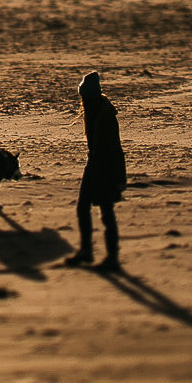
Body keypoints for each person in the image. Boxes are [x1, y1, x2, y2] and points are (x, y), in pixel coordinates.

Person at [63, 71, 125, 270]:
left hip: (105, 168)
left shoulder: (105, 116)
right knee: (83, 207)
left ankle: (112, 258)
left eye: (85, 98)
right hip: (93, 165)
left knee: (106, 212)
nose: (83, 102)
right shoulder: (94, 111)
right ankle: (87, 251)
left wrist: (119, 177)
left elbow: (116, 148)